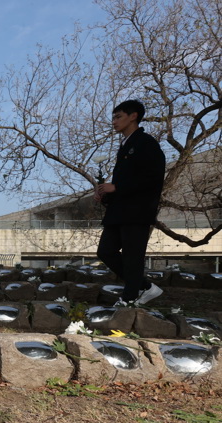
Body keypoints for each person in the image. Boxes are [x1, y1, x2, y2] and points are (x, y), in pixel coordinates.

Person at [95, 99, 166, 306]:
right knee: (105, 251)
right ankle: (143, 286)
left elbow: (153, 178)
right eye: (113, 117)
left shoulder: (146, 143)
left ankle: (129, 298)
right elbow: (124, 183)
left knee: (132, 256)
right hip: (119, 212)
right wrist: (105, 194)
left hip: (138, 211)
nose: (114, 122)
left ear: (133, 116)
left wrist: (116, 187)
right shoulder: (125, 146)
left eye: (118, 117)